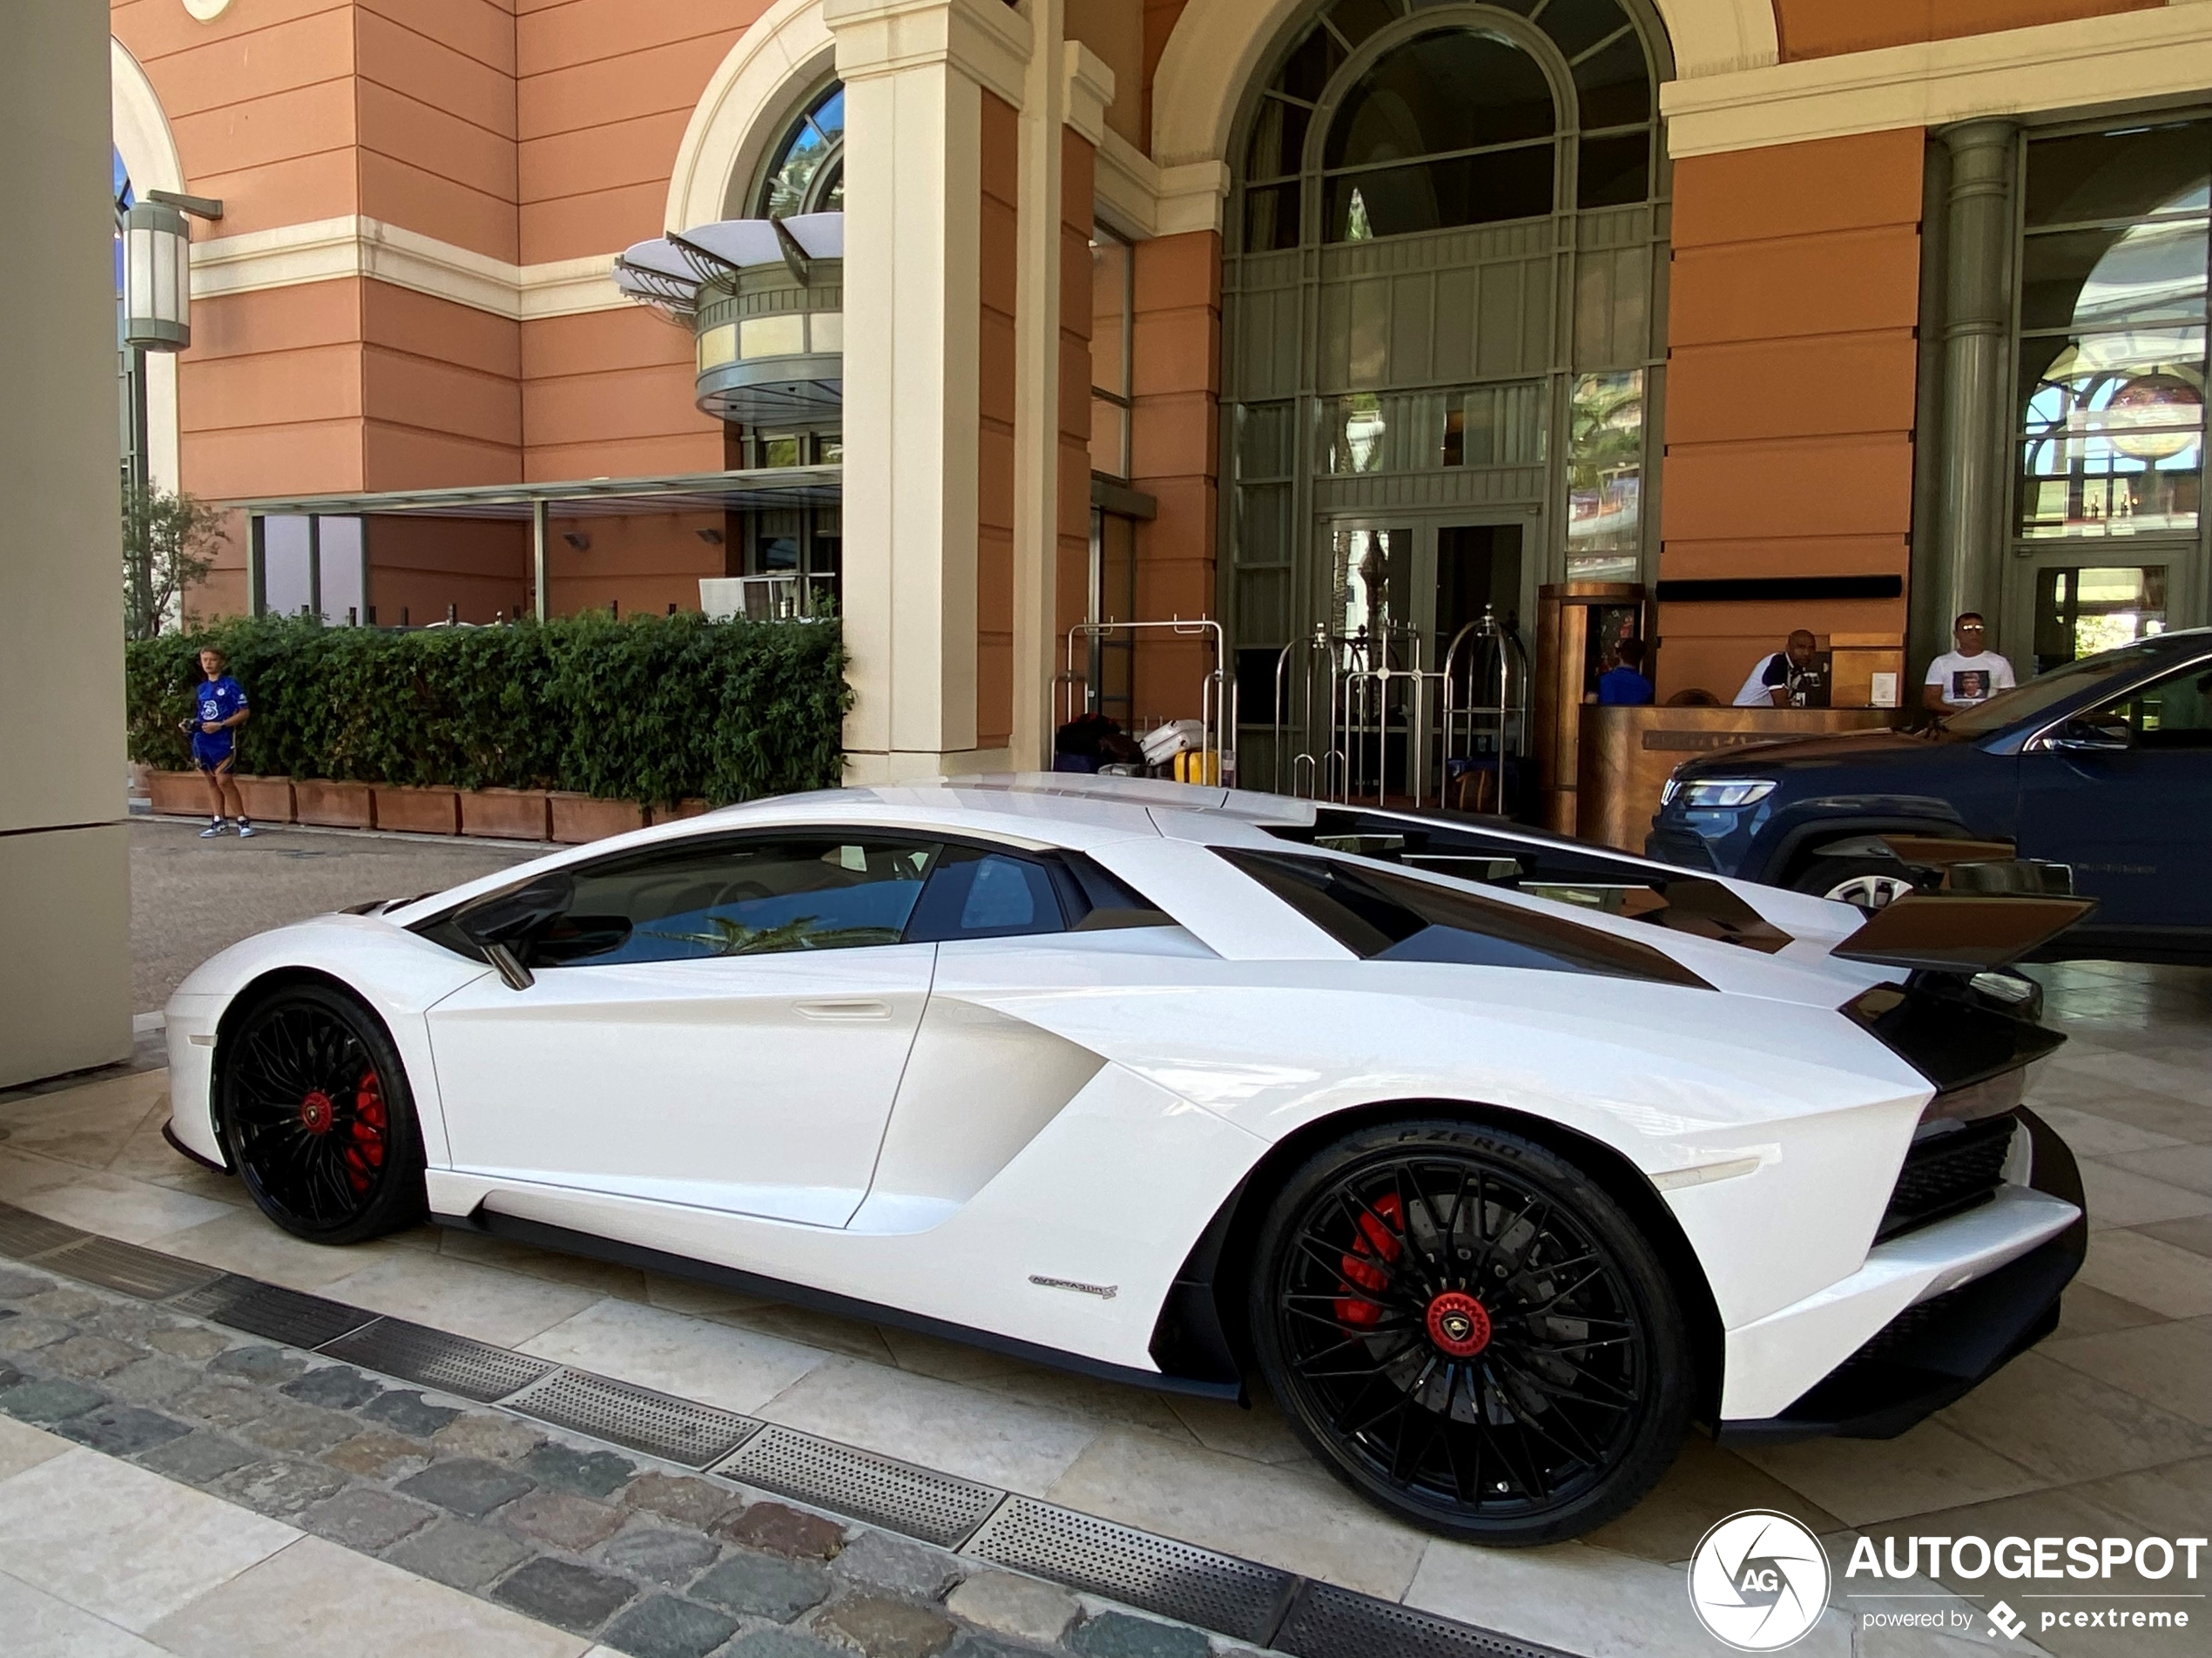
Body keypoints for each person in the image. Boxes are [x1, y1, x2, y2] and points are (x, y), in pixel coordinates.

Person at [185, 647, 254, 838]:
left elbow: (244, 712)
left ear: (221, 662)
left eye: (212, 660)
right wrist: (191, 725)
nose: (208, 663)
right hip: (203, 740)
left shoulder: (230, 685)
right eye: (204, 660)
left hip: (223, 739)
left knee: (224, 779)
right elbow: (202, 714)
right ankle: (219, 820)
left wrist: (221, 724)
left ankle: (242, 819)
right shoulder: (202, 689)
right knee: (210, 780)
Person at [1923, 612, 2017, 713]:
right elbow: (1930, 701)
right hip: (1951, 720)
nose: (1974, 634)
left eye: (1978, 629)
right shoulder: (1940, 663)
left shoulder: (2000, 662)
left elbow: (2008, 698)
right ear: (1956, 634)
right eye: (1967, 630)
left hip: (1988, 719)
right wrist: (1962, 713)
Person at [1733, 630, 1825, 707]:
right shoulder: (1778, 663)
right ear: (1788, 648)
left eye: (1811, 648)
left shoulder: (1796, 668)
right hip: (1745, 718)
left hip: (1760, 718)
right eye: (1800, 647)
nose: (1806, 653)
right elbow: (1781, 705)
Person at [1595, 637, 1654, 705]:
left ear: (1620, 655)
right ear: (1641, 658)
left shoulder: (1602, 680)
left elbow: (1588, 707)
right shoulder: (1647, 686)